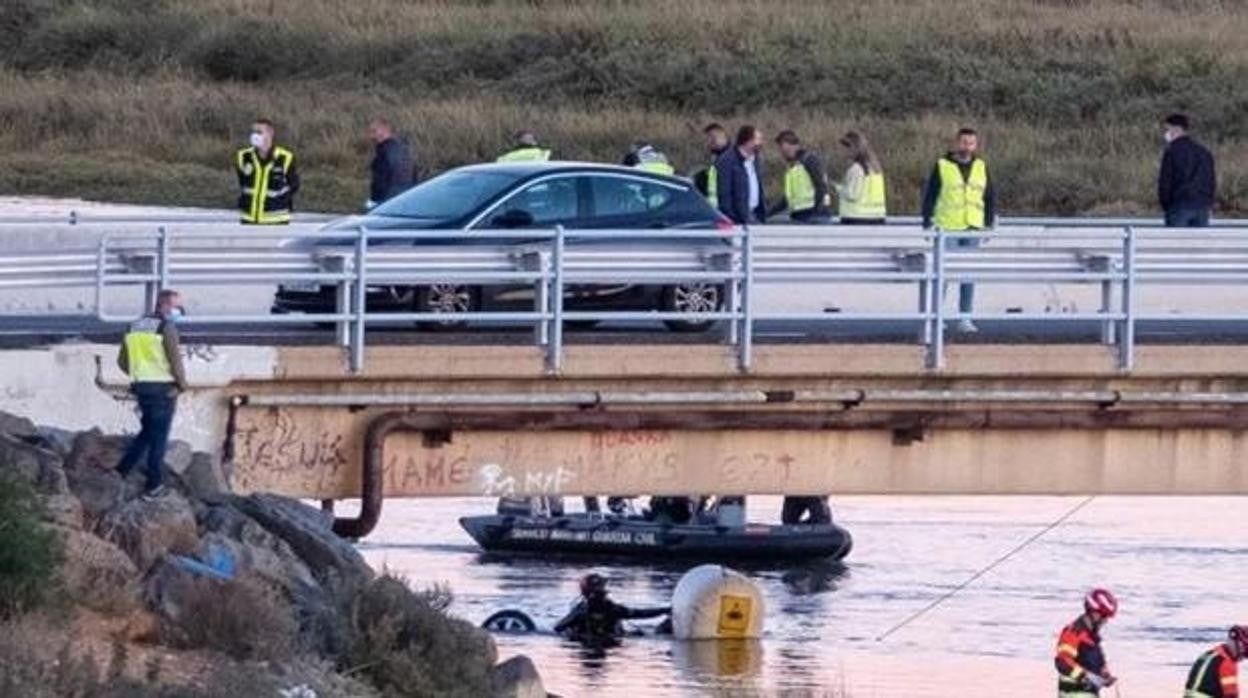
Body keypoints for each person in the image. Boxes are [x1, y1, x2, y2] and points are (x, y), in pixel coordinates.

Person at [115, 290, 189, 500]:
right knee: (159, 440)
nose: (179, 311)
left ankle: (121, 470)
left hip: (142, 388)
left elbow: (122, 362)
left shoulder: (133, 326)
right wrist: (182, 384)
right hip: (163, 391)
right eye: (176, 307)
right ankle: (154, 485)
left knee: (147, 432)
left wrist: (140, 374)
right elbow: (175, 361)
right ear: (164, 305)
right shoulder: (167, 327)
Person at [921, 127, 996, 333]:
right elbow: (931, 194)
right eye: (964, 142)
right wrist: (927, 222)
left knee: (968, 274)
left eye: (971, 143)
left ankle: (965, 317)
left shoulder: (981, 166)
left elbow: (989, 195)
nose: (967, 146)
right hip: (948, 227)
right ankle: (938, 315)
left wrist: (989, 222)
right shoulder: (942, 165)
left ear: (976, 145)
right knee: (942, 275)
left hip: (972, 226)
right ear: (956, 143)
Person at [553, 573, 670, 642]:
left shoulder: (612, 608)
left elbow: (639, 613)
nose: (603, 593)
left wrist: (664, 610)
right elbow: (558, 628)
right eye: (600, 589)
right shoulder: (581, 612)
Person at [1054, 588, 1118, 697]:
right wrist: (1087, 677)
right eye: (1103, 616)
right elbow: (1063, 662)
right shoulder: (1074, 632)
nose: (1105, 621)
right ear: (1092, 612)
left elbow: (1094, 662)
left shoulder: (1092, 637)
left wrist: (1104, 674)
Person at [235, 118, 299, 225]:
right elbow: (242, 182)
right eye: (253, 132)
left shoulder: (285, 158)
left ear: (270, 134)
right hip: (248, 218)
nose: (255, 135)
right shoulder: (244, 156)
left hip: (276, 219)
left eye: (259, 132)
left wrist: (280, 202)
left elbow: (294, 185)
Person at [1159, 113, 1216, 228]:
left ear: (1176, 129)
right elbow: (1211, 181)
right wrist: (1208, 202)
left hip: (1179, 205)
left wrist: (1166, 205)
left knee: (1175, 243)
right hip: (1202, 206)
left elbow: (1165, 182)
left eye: (1167, 129)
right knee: (1198, 244)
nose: (1165, 134)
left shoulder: (1172, 152)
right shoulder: (1204, 152)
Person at [769, 131, 832, 224]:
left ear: (794, 146)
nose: (783, 153)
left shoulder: (809, 160)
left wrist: (816, 211)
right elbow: (787, 199)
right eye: (782, 150)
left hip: (814, 216)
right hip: (800, 215)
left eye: (785, 149)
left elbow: (821, 186)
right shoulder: (792, 168)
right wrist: (768, 213)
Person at [715, 125, 767, 225]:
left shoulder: (755, 159)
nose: (760, 143)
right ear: (747, 141)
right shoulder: (727, 160)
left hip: (755, 214)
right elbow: (724, 192)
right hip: (738, 219)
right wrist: (733, 217)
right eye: (757, 139)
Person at [835, 131, 887, 224]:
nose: (843, 151)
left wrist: (836, 187)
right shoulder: (876, 168)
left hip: (856, 218)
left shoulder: (857, 169)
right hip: (877, 217)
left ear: (854, 148)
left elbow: (852, 194)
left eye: (846, 147)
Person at [365, 117, 415, 211]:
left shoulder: (384, 151)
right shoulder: (404, 149)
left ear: (386, 129)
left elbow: (380, 180)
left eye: (374, 131)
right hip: (407, 198)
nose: (371, 136)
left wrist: (374, 201)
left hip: (388, 200)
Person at [1184, 625, 1246, 698]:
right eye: (1244, 648)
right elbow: (1231, 695)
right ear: (1238, 644)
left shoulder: (1208, 655)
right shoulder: (1227, 664)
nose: (1243, 655)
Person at [694, 123, 730, 204]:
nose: (709, 142)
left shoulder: (729, 158)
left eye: (713, 138)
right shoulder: (716, 156)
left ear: (723, 136)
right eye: (707, 139)